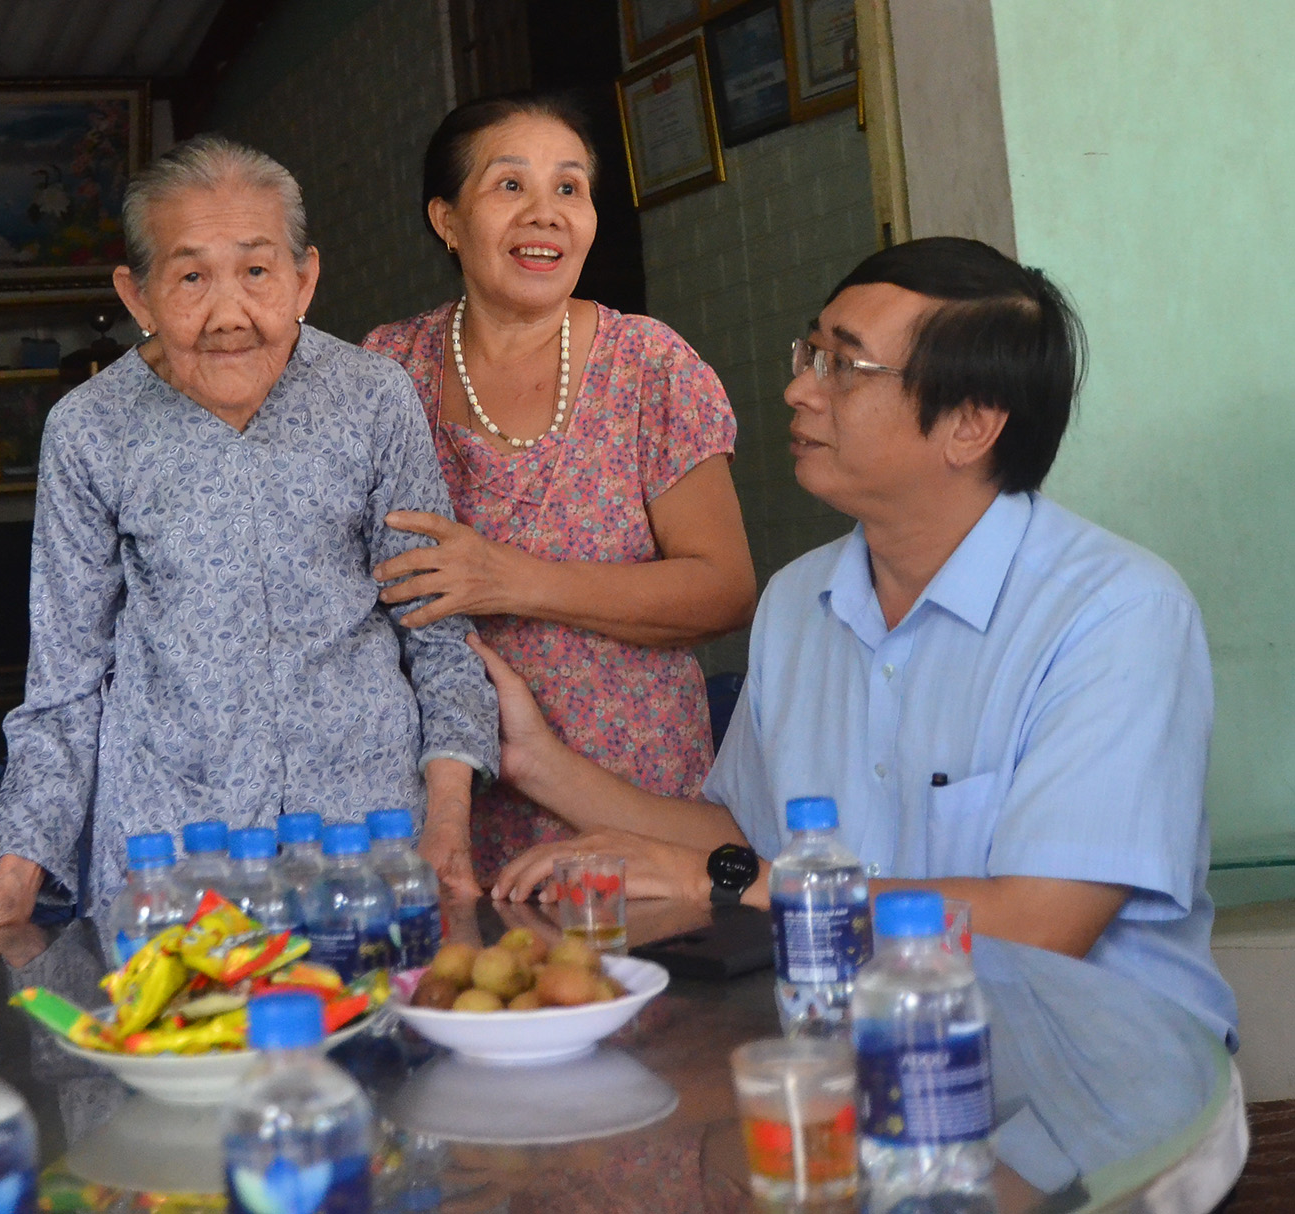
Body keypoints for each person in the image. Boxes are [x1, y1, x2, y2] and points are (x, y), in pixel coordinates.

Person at [481, 237, 1237, 1043]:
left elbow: (1038, 928)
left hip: (1094, 1093)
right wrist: (540, 764)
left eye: (844, 367)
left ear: (971, 424)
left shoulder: (1116, 614)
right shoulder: (800, 599)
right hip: (873, 1067)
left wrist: (730, 883)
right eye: (808, 353)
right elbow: (744, 839)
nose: (797, 389)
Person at [0, 137, 499, 930]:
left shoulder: (373, 399)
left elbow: (437, 631)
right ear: (138, 297)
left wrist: (446, 819)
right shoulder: (90, 431)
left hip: (364, 843)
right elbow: (64, 683)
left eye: (256, 270)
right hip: (169, 859)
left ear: (304, 279)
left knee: (376, 1049)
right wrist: (15, 878)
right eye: (191, 277)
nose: (229, 315)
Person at [363, 95, 754, 887]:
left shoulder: (649, 366)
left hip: (635, 792)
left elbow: (724, 590)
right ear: (446, 219)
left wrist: (510, 579)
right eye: (510, 187)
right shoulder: (385, 370)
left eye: (569, 189)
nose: (546, 215)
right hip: (445, 794)